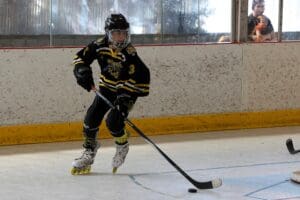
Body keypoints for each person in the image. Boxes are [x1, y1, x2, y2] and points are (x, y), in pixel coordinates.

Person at [71, 13, 150, 175]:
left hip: (127, 91)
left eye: (124, 33)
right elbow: (80, 58)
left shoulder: (130, 53)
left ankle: (122, 145)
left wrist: (124, 99)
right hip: (106, 88)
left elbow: (142, 75)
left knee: (114, 121)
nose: (121, 37)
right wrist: (82, 71)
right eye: (116, 33)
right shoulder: (99, 45)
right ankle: (89, 150)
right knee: (91, 118)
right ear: (108, 33)